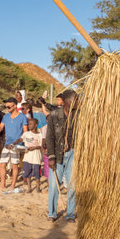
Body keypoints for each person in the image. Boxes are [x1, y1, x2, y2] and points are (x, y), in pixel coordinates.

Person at [46, 89, 78, 222]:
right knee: (54, 185)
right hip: (57, 154)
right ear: (66, 101)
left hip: (72, 153)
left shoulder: (78, 115)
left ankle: (70, 214)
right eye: (75, 100)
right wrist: (51, 156)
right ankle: (52, 213)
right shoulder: (54, 115)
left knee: (72, 184)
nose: (77, 102)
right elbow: (50, 137)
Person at [0, 97, 28, 190]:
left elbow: (25, 132)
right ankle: (3, 184)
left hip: (16, 145)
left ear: (15, 106)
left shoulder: (22, 116)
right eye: (6, 105)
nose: (6, 107)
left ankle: (13, 185)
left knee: (14, 166)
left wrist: (21, 144)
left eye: (8, 105)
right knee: (2, 164)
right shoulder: (6, 116)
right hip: (7, 144)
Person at [13, 118, 42, 193]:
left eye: (31, 124)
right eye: (28, 124)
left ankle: (38, 187)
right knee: (28, 173)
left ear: (36, 125)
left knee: (37, 173)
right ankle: (29, 187)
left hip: (36, 157)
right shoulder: (26, 134)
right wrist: (13, 144)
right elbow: (20, 139)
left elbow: (41, 145)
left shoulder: (40, 135)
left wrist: (35, 147)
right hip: (27, 156)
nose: (29, 125)